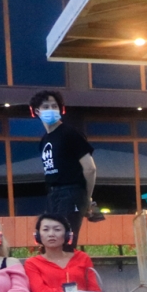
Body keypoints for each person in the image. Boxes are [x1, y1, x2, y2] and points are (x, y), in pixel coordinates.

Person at [30, 90, 98, 242]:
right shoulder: (44, 140)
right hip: (53, 193)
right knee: (51, 240)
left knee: (65, 239)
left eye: (55, 106)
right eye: (46, 106)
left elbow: (90, 168)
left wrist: (86, 197)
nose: (51, 110)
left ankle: (68, 265)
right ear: (37, 111)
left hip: (71, 191)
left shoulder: (70, 133)